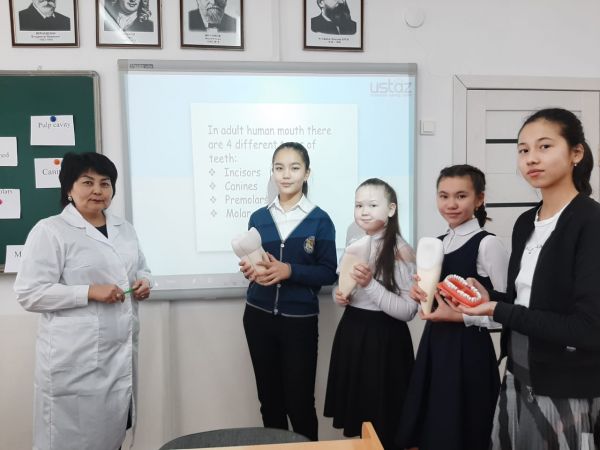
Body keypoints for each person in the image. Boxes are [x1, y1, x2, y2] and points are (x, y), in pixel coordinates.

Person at [457, 108, 600, 449]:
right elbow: (525, 303)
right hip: (518, 375)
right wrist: (488, 298)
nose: (531, 158)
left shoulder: (590, 221)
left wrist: (496, 309)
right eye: (523, 150)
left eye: (544, 147)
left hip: (568, 388)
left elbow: (587, 328)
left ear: (576, 153)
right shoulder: (526, 222)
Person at [14, 152, 152, 450]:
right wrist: (88, 291)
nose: (98, 190)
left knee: (114, 434)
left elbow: (141, 268)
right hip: (74, 361)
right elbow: (29, 293)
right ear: (69, 188)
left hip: (119, 356)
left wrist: (144, 282)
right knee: (72, 440)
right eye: (87, 182)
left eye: (105, 183)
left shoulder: (124, 229)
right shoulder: (50, 231)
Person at [397, 164, 509, 450]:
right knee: (434, 427)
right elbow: (432, 300)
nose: (451, 204)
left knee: (465, 430)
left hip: (469, 351)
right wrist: (419, 295)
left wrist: (461, 317)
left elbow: (507, 314)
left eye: (461, 196)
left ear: (479, 199)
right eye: (444, 196)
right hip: (434, 344)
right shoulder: (435, 243)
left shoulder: (488, 244)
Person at [240, 142, 337, 441]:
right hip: (258, 317)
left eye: (294, 168)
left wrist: (290, 271)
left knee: (300, 403)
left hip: (299, 322)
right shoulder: (258, 217)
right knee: (269, 402)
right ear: (272, 172)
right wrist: (250, 271)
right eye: (279, 168)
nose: (286, 175)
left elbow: (328, 272)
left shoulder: (321, 220)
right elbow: (256, 263)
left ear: (306, 173)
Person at [324, 178, 417, 450]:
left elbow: (408, 311)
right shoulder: (355, 245)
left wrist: (369, 284)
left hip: (385, 341)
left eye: (372, 205)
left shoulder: (401, 250)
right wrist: (340, 296)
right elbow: (341, 288)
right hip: (353, 332)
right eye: (359, 205)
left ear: (391, 209)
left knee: (385, 422)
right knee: (362, 420)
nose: (364, 211)